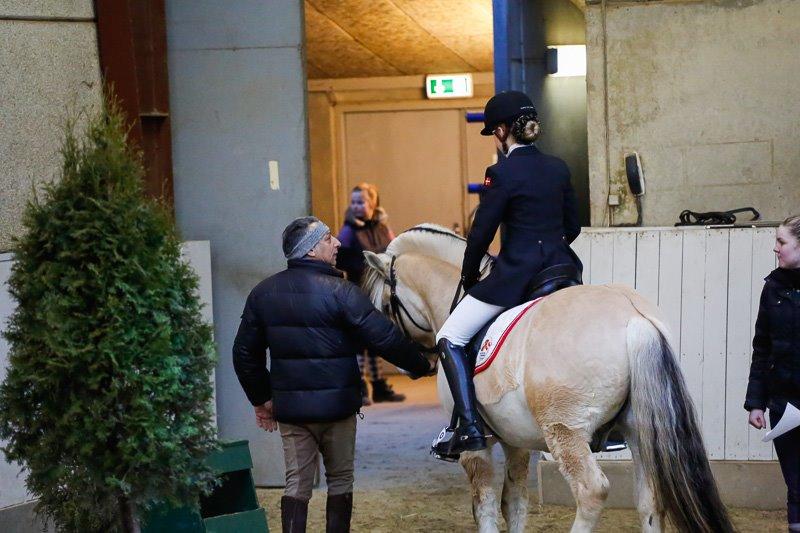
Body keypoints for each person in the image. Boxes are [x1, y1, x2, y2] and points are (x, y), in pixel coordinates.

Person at [232, 216, 434, 533]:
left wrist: (262, 399)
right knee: (340, 480)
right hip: (338, 408)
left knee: (296, 483)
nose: (337, 242)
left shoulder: (263, 294)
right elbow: (384, 338)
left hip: (292, 411)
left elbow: (244, 353)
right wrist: (423, 365)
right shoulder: (342, 292)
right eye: (328, 238)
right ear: (311, 250)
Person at [432, 90, 582, 459]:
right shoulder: (558, 167)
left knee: (449, 335)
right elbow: (573, 226)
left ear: (501, 132)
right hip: (563, 270)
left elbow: (481, 233)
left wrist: (469, 276)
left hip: (518, 277)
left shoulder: (500, 173)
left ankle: (469, 429)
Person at [745, 214, 800, 532]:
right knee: (796, 483)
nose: (775, 248)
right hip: (784, 405)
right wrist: (756, 403)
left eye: (781, 241)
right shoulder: (772, 288)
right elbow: (762, 348)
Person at [337, 182, 404, 404]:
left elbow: (394, 249)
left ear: (373, 204)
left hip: (380, 291)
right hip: (360, 290)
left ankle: (378, 386)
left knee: (376, 339)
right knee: (359, 341)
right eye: (353, 202)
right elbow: (341, 257)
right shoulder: (349, 230)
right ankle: (359, 387)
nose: (356, 206)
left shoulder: (382, 227)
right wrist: (363, 266)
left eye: (361, 202)